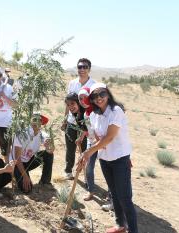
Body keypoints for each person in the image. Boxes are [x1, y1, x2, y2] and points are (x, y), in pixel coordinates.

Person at [77, 83, 138, 233]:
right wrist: (86, 153)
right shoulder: (93, 115)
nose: (99, 98)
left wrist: (89, 152)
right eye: (95, 96)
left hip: (120, 159)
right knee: (114, 194)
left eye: (102, 94)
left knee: (125, 198)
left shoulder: (116, 111)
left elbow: (109, 137)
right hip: (105, 159)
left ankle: (133, 230)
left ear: (108, 93)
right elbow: (96, 138)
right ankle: (120, 225)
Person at [61, 58, 95, 179]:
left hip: (86, 123)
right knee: (70, 148)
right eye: (80, 67)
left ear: (89, 69)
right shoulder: (72, 83)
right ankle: (68, 171)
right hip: (71, 121)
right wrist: (65, 119)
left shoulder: (93, 85)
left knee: (85, 150)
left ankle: (86, 175)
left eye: (85, 67)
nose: (82, 69)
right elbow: (67, 103)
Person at [12, 113, 54, 193]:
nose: (36, 122)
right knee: (27, 189)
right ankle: (16, 176)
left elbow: (50, 149)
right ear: (30, 121)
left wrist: (49, 145)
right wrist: (25, 176)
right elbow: (17, 159)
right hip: (17, 164)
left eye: (39, 120)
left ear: (41, 123)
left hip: (28, 162)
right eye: (34, 119)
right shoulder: (22, 134)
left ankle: (45, 181)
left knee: (48, 154)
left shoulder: (42, 134)